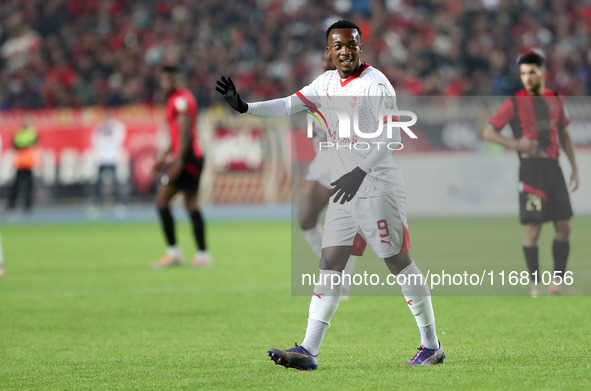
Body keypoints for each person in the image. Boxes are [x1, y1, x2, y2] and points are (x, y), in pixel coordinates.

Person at [216, 20, 444, 369]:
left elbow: (393, 137)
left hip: (377, 185)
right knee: (330, 264)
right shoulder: (324, 83)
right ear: (329, 51)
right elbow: (289, 105)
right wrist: (245, 107)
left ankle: (431, 345)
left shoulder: (376, 84)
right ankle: (308, 350)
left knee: (398, 262)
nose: (345, 51)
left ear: (360, 47)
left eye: (351, 45)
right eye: (338, 46)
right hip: (344, 188)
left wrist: (360, 171)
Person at [483, 50, 578, 297]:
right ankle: (535, 285)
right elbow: (489, 132)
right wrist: (516, 144)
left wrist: (574, 168)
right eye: (523, 73)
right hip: (531, 171)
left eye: (532, 72)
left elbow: (565, 135)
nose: (527, 77)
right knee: (533, 229)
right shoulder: (514, 102)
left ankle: (558, 281)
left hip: (554, 169)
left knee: (564, 226)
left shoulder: (556, 99)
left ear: (543, 73)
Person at [299, 53, 358, 299]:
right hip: (322, 162)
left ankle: (340, 280)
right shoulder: (315, 93)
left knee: (342, 226)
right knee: (306, 220)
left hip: (347, 161)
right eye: (323, 61)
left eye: (329, 62)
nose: (324, 65)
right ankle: (332, 266)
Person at [152, 65, 211, 267]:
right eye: (162, 79)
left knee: (161, 200)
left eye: (168, 79)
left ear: (175, 79)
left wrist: (177, 163)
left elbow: (185, 133)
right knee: (191, 204)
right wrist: (162, 158)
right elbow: (177, 137)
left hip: (188, 158)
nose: (164, 83)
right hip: (190, 156)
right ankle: (202, 255)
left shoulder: (180, 99)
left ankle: (173, 252)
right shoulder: (177, 98)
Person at [90, 107, 127, 209]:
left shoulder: (116, 126)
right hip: (101, 157)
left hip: (112, 156)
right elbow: (94, 140)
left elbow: (120, 136)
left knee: (115, 181)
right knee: (98, 181)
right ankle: (97, 202)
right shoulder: (99, 127)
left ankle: (118, 202)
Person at [6, 118, 38, 212]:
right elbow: (17, 144)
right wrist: (25, 145)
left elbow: (17, 144)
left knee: (26, 184)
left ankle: (25, 205)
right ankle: (18, 204)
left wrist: (22, 145)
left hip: (26, 162)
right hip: (22, 162)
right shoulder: (29, 133)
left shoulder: (27, 133)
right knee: (20, 184)